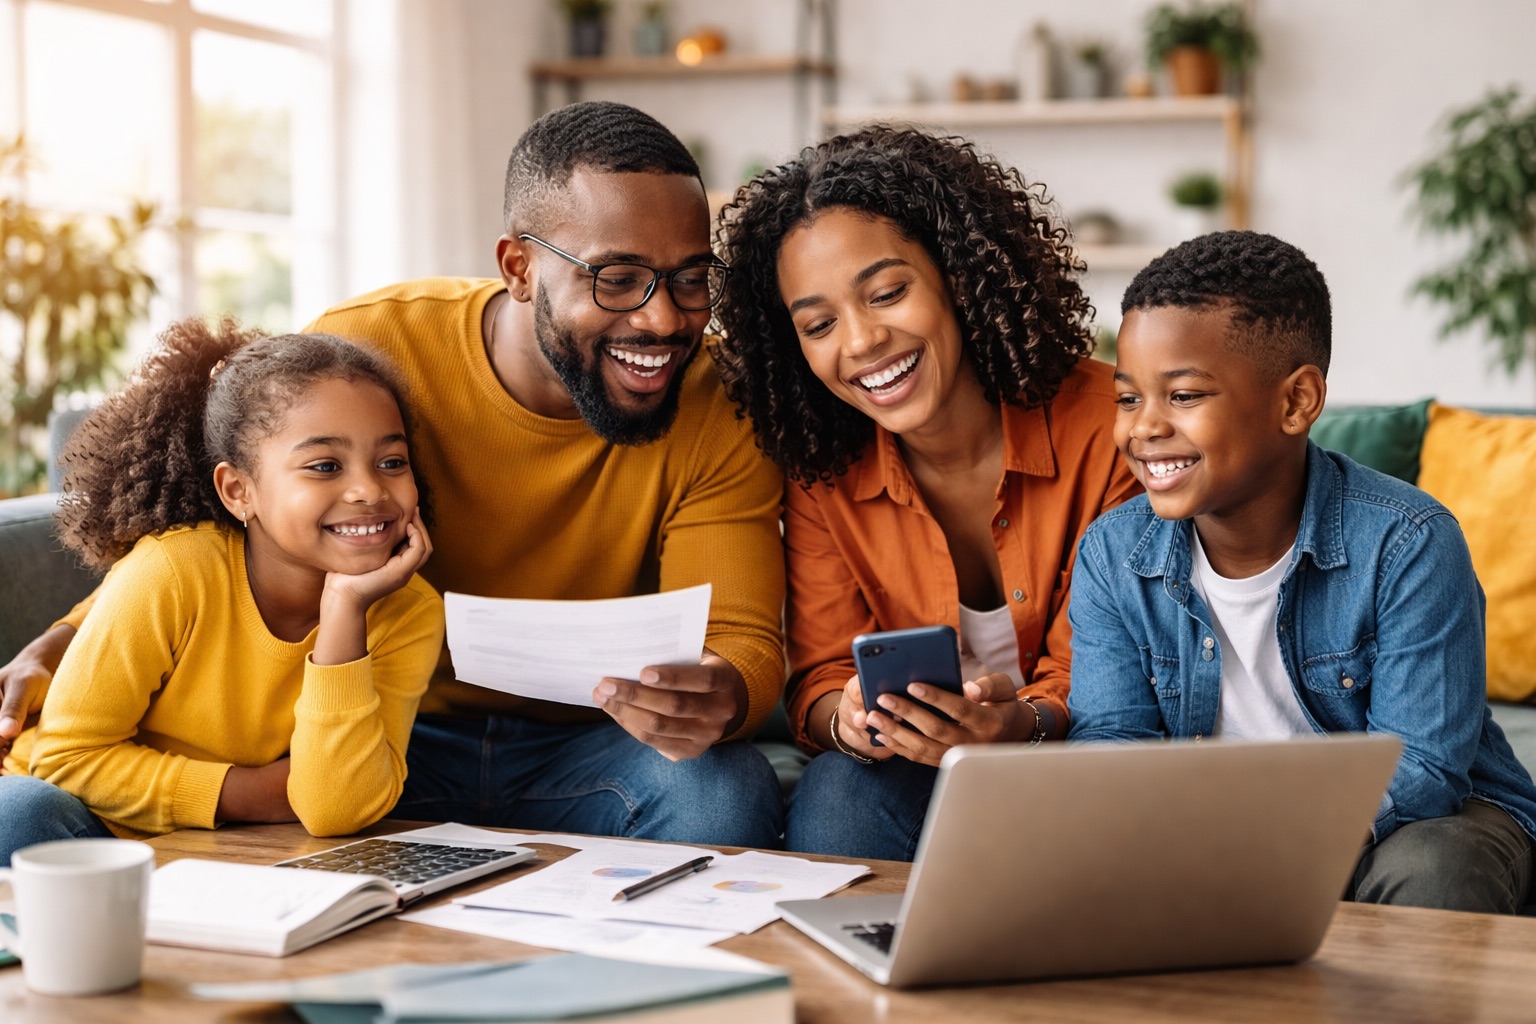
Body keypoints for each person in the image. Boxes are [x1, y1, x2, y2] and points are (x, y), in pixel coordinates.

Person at [0, 101, 786, 849]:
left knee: (723, 791)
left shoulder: (719, 402)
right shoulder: (372, 347)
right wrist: (68, 638)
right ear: (518, 267)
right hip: (384, 723)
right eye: (617, 278)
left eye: (690, 278)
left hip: (591, 745)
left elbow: (741, 641)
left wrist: (718, 694)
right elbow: (240, 521)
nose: (663, 318)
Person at [1067, 230, 1536, 914]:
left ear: (1296, 402)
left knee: (1435, 864)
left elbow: (1424, 769)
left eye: (1185, 395)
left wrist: (1256, 841)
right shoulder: (1112, 552)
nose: (1143, 428)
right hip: (1204, 831)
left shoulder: (1409, 541)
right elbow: (1111, 744)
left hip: (1412, 823)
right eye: (1130, 397)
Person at [712, 126, 1140, 861]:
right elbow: (818, 678)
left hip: (1078, 763)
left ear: (958, 275)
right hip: (910, 772)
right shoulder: (823, 470)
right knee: (839, 795)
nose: (860, 342)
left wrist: (1016, 725)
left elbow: (1106, 680)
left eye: (887, 293)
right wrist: (846, 719)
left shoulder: (1110, 427)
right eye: (818, 324)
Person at [0, 322, 443, 862]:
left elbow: (336, 811)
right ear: (239, 491)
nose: (369, 489)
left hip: (222, 848)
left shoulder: (410, 611)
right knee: (16, 812)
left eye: (391, 462)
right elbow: (65, 760)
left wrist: (345, 608)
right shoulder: (175, 570)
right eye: (325, 466)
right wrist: (260, 791)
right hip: (82, 826)